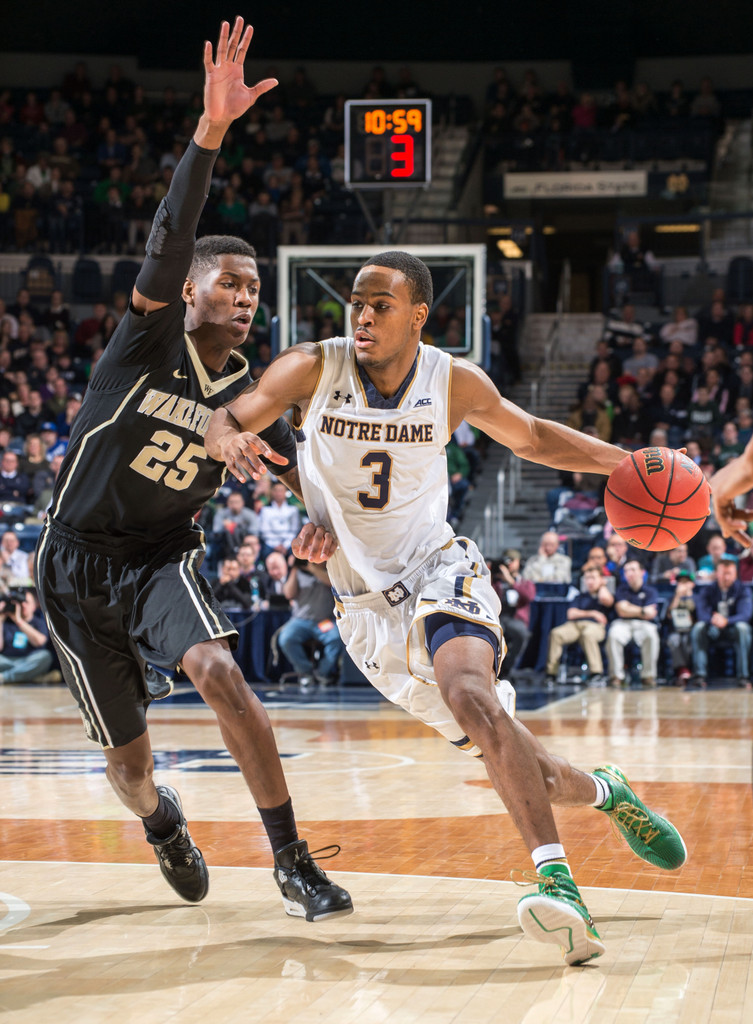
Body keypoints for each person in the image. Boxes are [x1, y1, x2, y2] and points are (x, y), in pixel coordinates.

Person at [206, 248, 686, 966]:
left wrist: (625, 461)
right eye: (357, 303)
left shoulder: (451, 379)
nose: (364, 316)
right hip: (363, 612)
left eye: (381, 305)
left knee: (470, 693)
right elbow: (229, 415)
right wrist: (226, 437)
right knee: (526, 765)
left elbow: (531, 436)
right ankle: (606, 790)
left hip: (439, 568)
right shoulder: (312, 367)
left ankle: (557, 883)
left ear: (419, 316)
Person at [33, 19, 352, 923]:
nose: (245, 298)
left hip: (160, 557)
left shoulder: (257, 391)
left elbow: (299, 472)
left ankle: (290, 860)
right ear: (189, 291)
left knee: (219, 669)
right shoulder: (145, 340)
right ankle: (162, 822)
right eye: (230, 284)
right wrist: (211, 132)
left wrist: (318, 516)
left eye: (253, 290)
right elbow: (172, 234)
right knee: (130, 770)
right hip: (73, 561)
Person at [278, 556, 345, 689]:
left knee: (336, 639)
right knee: (286, 638)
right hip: (300, 620)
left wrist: (313, 569)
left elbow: (332, 584)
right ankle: (306, 672)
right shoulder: (298, 572)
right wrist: (295, 568)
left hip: (324, 621)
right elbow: (289, 594)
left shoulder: (330, 570)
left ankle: (322, 673)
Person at [545, 564, 614, 686]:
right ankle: (551, 673)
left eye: (593, 578)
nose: (590, 581)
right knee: (556, 633)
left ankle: (596, 673)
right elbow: (570, 614)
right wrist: (593, 613)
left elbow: (607, 600)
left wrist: (603, 585)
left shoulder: (604, 595)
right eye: (587, 578)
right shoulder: (580, 596)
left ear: (601, 579)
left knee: (587, 634)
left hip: (596, 626)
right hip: (575, 625)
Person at [690, 555, 752, 689]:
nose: (727, 577)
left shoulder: (743, 590)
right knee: (699, 627)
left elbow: (745, 614)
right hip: (713, 628)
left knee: (743, 628)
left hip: (733, 628)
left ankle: (744, 677)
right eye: (724, 573)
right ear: (717, 574)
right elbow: (701, 612)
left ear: (735, 574)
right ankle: (700, 675)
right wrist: (713, 620)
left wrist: (726, 621)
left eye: (730, 574)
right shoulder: (708, 590)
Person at [605, 558, 661, 687]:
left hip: (644, 624)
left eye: (633, 570)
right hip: (623, 622)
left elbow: (651, 613)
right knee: (613, 635)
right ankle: (617, 676)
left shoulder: (651, 591)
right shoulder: (621, 589)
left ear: (642, 572)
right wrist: (642, 610)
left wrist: (629, 608)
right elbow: (621, 611)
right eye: (626, 571)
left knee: (651, 635)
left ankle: (648, 676)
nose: (629, 573)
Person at [490, 549, 534, 681]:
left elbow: (529, 596)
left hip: (516, 618)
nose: (509, 564)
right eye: (507, 561)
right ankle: (494, 667)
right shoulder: (496, 582)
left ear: (519, 562)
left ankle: (507, 668)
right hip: (499, 617)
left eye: (512, 561)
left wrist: (511, 581)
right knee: (493, 633)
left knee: (522, 633)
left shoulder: (524, 582)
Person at [0, 588, 53, 685]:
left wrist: (19, 621)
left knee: (45, 656)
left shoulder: (39, 622)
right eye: (20, 602)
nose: (23, 605)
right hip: (7, 661)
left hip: (29, 660)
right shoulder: (6, 621)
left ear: (34, 606)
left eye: (26, 602)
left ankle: (5, 677)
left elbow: (40, 642)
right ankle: (28, 676)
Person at [665, 569, 697, 685]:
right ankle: (682, 670)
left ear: (692, 584)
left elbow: (701, 615)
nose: (683, 585)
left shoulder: (697, 598)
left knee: (688, 640)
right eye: (681, 582)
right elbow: (668, 616)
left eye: (686, 582)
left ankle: (692, 670)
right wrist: (677, 596)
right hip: (676, 630)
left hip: (691, 630)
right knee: (675, 640)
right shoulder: (672, 598)